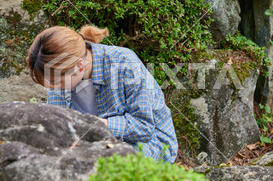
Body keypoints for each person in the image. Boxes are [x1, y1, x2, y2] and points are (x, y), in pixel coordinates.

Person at [26, 25, 178, 163]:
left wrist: (95, 125)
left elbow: (144, 127)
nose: (54, 88)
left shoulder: (124, 62)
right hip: (96, 143)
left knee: (100, 159)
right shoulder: (59, 73)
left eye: (57, 82)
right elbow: (59, 125)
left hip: (152, 144)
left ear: (79, 66)